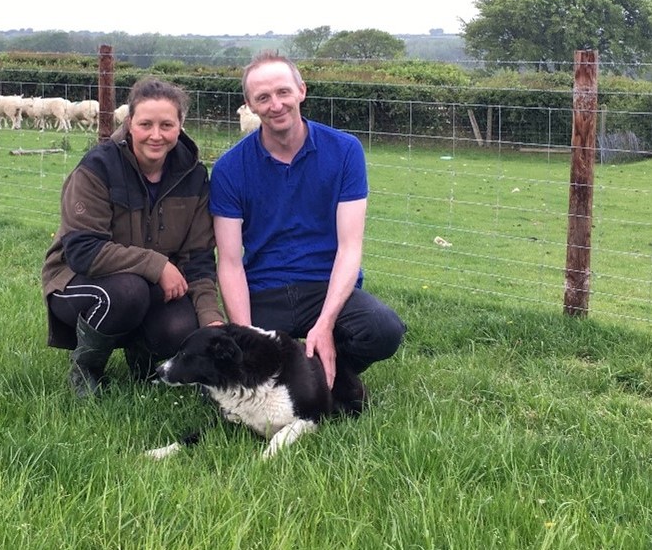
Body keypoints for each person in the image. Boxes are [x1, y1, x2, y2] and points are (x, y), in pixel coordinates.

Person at [209, 51, 406, 415]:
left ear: (302, 90)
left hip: (324, 286)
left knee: (383, 329)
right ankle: (316, 377)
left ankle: (331, 369)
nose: (275, 104)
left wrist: (326, 323)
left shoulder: (345, 151)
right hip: (265, 289)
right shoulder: (228, 169)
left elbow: (350, 247)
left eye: (283, 92)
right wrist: (247, 340)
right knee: (226, 362)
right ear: (249, 105)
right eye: (262, 98)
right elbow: (231, 262)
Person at [42, 77, 224, 398]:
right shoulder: (99, 167)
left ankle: (142, 364)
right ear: (129, 124)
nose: (156, 135)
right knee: (128, 291)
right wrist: (156, 264)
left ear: (180, 125)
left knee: (183, 325)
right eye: (146, 124)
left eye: (167, 124)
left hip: (151, 288)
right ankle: (87, 368)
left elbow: (198, 260)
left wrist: (211, 321)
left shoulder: (194, 177)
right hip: (77, 281)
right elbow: (83, 251)